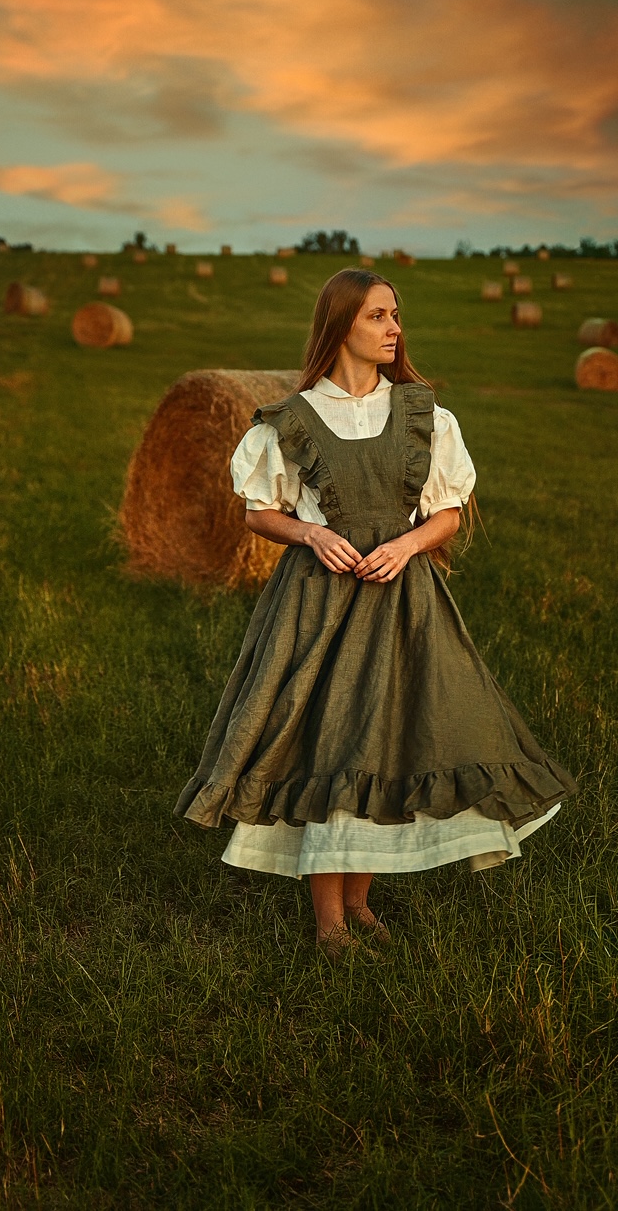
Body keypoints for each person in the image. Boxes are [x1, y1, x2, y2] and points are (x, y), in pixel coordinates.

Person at [175, 269, 577, 956]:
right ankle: (329, 922)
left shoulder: (425, 415)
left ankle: (360, 902)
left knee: (388, 738)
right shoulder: (293, 419)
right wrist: (310, 533)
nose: (395, 329)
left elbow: (447, 514)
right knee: (330, 742)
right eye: (379, 316)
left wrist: (409, 545)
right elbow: (258, 513)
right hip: (317, 605)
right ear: (342, 327)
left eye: (395, 316)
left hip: (402, 601)